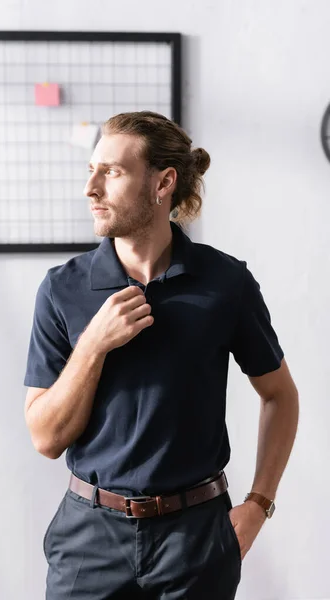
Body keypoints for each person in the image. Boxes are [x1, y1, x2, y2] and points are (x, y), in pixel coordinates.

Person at [23, 111, 299, 599]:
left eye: (111, 171)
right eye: (91, 170)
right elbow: (46, 438)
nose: (91, 188)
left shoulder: (226, 283)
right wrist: (93, 343)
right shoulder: (62, 289)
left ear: (163, 183)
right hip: (88, 540)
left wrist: (259, 504)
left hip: (196, 539)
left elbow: (279, 394)